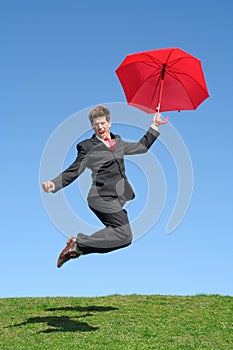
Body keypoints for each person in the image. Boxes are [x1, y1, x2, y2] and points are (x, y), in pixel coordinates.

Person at [42, 105, 161, 268]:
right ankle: (78, 244)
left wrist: (154, 125)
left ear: (109, 123)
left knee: (123, 238)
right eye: (96, 124)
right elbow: (75, 169)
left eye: (103, 123)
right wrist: (54, 184)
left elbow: (142, 147)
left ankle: (77, 247)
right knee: (124, 234)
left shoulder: (118, 142)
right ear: (92, 126)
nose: (100, 127)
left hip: (118, 196)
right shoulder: (87, 147)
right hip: (100, 197)